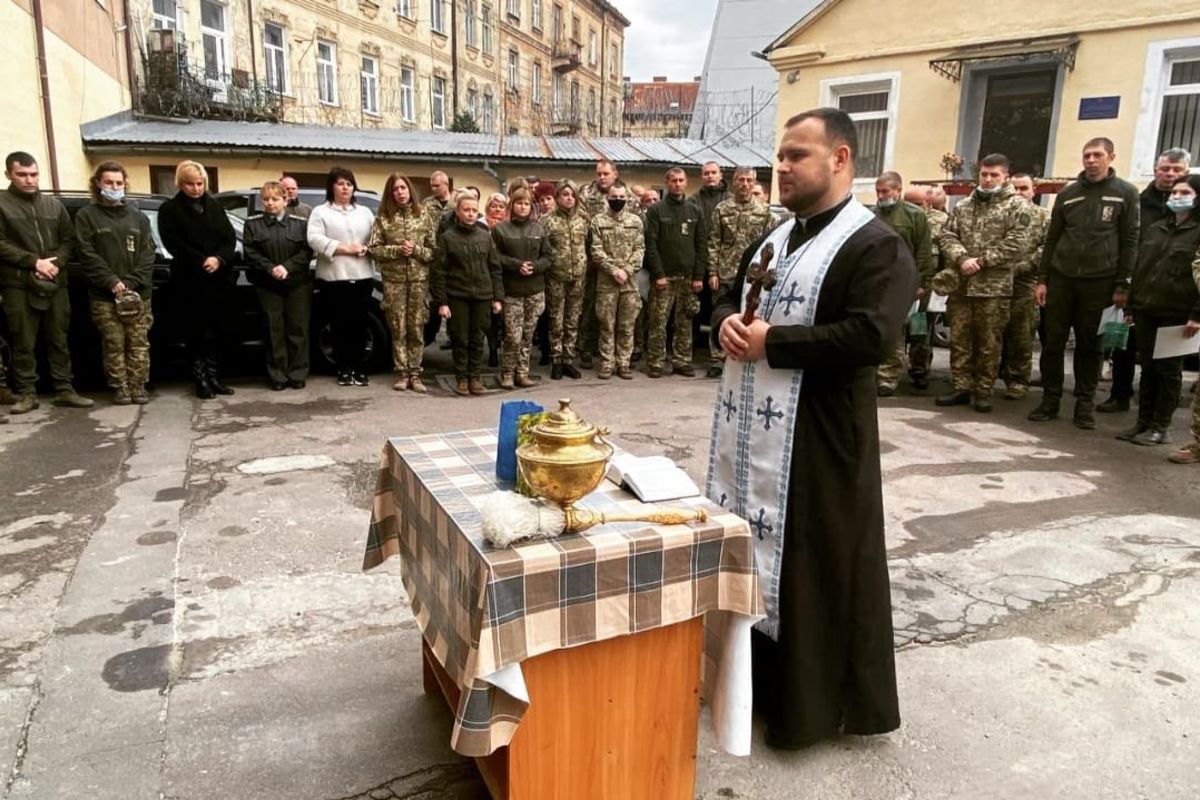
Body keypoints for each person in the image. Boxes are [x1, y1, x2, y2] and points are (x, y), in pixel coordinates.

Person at [710, 107, 914, 750]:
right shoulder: (775, 238)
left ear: (841, 160)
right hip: (752, 435)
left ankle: (808, 708)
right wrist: (723, 322)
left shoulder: (874, 243)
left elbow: (872, 335)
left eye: (798, 155)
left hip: (822, 438)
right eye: (782, 155)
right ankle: (751, 686)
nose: (783, 167)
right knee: (755, 556)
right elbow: (727, 294)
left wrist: (777, 342)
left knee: (813, 567)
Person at [1029, 138, 1140, 428]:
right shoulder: (1068, 194)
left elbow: (1130, 241)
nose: (1091, 160)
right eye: (1087, 155)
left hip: (1101, 282)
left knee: (1091, 345)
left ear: (1111, 157)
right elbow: (1052, 239)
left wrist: (1123, 284)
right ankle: (1050, 400)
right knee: (1052, 342)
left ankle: (1084, 403)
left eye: (1098, 155)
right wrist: (1043, 279)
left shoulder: (1125, 193)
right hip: (1062, 278)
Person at [0, 151, 92, 414]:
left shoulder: (54, 206)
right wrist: (33, 262)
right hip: (18, 284)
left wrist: (55, 264)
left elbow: (69, 240)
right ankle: (28, 393)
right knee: (23, 341)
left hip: (55, 284)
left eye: (34, 174)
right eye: (22, 175)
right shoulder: (2, 205)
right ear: (9, 175)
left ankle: (64, 389)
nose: (29, 180)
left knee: (58, 339)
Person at [937, 154, 1031, 413]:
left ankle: (984, 390)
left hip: (993, 286)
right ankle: (961, 385)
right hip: (962, 285)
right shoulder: (964, 205)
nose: (988, 180)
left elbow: (1017, 243)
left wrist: (981, 261)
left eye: (994, 175)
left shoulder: (1017, 207)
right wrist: (962, 257)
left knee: (989, 340)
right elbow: (946, 235)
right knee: (960, 338)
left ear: (1005, 177)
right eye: (984, 174)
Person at [1100, 147, 1191, 414]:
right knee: (1123, 344)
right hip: (1137, 286)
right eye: (1165, 169)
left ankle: (1158, 413)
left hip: (1174, 296)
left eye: (1177, 171)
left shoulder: (1192, 215)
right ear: (1155, 171)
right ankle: (1120, 395)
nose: (1170, 175)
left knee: (1164, 360)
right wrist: (1124, 284)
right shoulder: (1139, 203)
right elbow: (1128, 244)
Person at [1117, 174, 1200, 446]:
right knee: (1148, 367)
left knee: (1168, 370)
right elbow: (1142, 268)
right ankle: (1143, 422)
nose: (1176, 197)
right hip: (1147, 308)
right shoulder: (1157, 228)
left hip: (1178, 312)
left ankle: (1161, 426)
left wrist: (1197, 315)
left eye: (1184, 192)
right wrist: (1131, 305)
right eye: (1174, 193)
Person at [74, 161, 155, 405]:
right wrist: (111, 281)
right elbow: (86, 253)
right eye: (109, 182)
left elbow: (147, 253)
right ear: (98, 183)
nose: (114, 187)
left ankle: (139, 386)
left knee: (139, 343)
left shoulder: (138, 217)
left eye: (119, 183)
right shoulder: (86, 217)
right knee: (114, 344)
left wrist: (131, 281)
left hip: (138, 294)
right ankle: (120, 387)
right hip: (105, 296)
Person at [157, 159, 238, 399]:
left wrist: (219, 259)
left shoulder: (214, 207)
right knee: (195, 333)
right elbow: (173, 243)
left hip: (218, 279)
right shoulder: (170, 210)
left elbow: (229, 238)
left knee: (216, 332)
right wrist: (201, 260)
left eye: (200, 183)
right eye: (190, 184)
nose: (196, 188)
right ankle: (200, 379)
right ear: (181, 184)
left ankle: (215, 377)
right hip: (189, 280)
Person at [307, 166, 376, 387]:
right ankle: (344, 368)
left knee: (360, 323)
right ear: (332, 186)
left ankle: (359, 367)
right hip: (334, 277)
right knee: (339, 325)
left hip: (362, 275)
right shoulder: (321, 211)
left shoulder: (364, 212)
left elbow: (376, 236)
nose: (345, 187)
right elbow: (314, 238)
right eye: (340, 183)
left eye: (349, 183)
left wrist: (368, 247)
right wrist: (344, 248)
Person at [367, 173, 435, 393]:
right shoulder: (383, 217)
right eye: (395, 189)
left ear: (410, 190)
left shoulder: (422, 215)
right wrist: (397, 251)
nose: (400, 192)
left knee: (416, 327)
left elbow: (432, 251)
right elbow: (374, 250)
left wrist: (415, 250)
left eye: (403, 188)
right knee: (398, 328)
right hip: (394, 281)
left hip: (418, 281)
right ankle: (401, 373)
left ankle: (415, 373)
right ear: (390, 192)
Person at [244, 181, 315, 391]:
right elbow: (250, 251)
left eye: (275, 199)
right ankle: (278, 375)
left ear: (286, 200)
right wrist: (270, 268)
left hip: (297, 283)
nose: (270, 203)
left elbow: (307, 251)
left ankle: (297, 373)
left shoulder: (300, 223)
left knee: (298, 329)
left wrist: (287, 266)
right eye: (266, 199)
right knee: (273, 330)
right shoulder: (253, 224)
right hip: (268, 284)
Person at [432, 193, 503, 396]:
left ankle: (475, 376)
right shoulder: (448, 238)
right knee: (460, 338)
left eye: (474, 210)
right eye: (466, 210)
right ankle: (461, 377)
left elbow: (495, 268)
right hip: (458, 295)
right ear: (458, 212)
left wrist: (497, 297)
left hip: (482, 295)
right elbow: (439, 272)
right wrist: (442, 302)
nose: (471, 214)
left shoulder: (484, 236)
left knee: (477, 338)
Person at [705, 166, 773, 378]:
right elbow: (714, 242)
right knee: (723, 314)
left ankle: (742, 352)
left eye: (749, 181)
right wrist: (712, 272)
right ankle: (718, 358)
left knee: (748, 313)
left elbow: (770, 246)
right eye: (741, 180)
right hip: (725, 271)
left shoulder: (764, 212)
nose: (744, 184)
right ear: (734, 182)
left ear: (754, 184)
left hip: (752, 275)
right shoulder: (722, 209)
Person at [872, 171, 932, 397]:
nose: (881, 196)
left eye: (885, 191)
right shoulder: (871, 214)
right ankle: (887, 376)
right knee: (891, 329)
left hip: (914, 285)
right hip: (885, 285)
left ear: (898, 190)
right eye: (878, 191)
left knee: (919, 330)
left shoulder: (914, 216)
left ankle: (920, 369)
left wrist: (922, 283)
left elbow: (924, 252)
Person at [644, 167, 707, 377]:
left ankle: (682, 360)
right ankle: (656, 361)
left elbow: (701, 245)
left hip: (688, 279)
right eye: (673, 181)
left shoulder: (694, 210)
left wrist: (698, 276)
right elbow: (650, 245)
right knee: (658, 322)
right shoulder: (656, 210)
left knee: (685, 322)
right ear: (666, 183)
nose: (677, 184)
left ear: (686, 182)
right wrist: (659, 274)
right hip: (664, 278)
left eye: (681, 180)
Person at [493, 187, 550, 389]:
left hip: (534, 290)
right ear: (512, 205)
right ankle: (507, 373)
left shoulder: (539, 229)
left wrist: (535, 267)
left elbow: (548, 257)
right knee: (513, 336)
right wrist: (516, 265)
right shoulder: (501, 229)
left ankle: (522, 373)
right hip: (512, 292)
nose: (523, 207)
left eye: (526, 203)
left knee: (527, 335)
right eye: (519, 203)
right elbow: (495, 257)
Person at [1000, 174, 1050, 400]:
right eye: (1015, 188)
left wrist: (1024, 266)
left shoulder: (1043, 217)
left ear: (1034, 190)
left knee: (1021, 333)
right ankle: (989, 375)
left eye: (1024, 188)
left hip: (1025, 283)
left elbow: (1046, 247)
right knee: (992, 333)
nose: (1019, 192)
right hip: (997, 281)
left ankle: (1018, 379)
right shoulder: (1001, 214)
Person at [589, 184, 643, 380]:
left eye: (621, 196)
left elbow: (639, 249)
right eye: (614, 196)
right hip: (606, 283)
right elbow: (596, 250)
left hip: (629, 284)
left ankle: (623, 363)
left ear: (627, 198)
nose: (618, 199)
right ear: (607, 198)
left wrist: (627, 271)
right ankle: (606, 363)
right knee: (606, 325)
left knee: (627, 326)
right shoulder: (598, 221)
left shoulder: (635, 221)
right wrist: (613, 270)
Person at [578, 159, 622, 369]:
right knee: (588, 304)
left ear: (615, 174)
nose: (602, 177)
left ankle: (614, 352)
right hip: (589, 258)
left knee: (613, 308)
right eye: (599, 174)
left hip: (616, 262)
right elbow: (581, 222)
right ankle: (586, 348)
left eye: (606, 173)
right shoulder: (585, 193)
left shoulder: (624, 194)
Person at [542, 179, 588, 380]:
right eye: (564, 195)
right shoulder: (547, 221)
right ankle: (556, 359)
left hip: (578, 278)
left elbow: (589, 246)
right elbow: (542, 250)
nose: (569, 198)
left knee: (572, 320)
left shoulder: (583, 219)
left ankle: (568, 360)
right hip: (555, 278)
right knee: (556, 320)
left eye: (572, 195)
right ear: (558, 197)